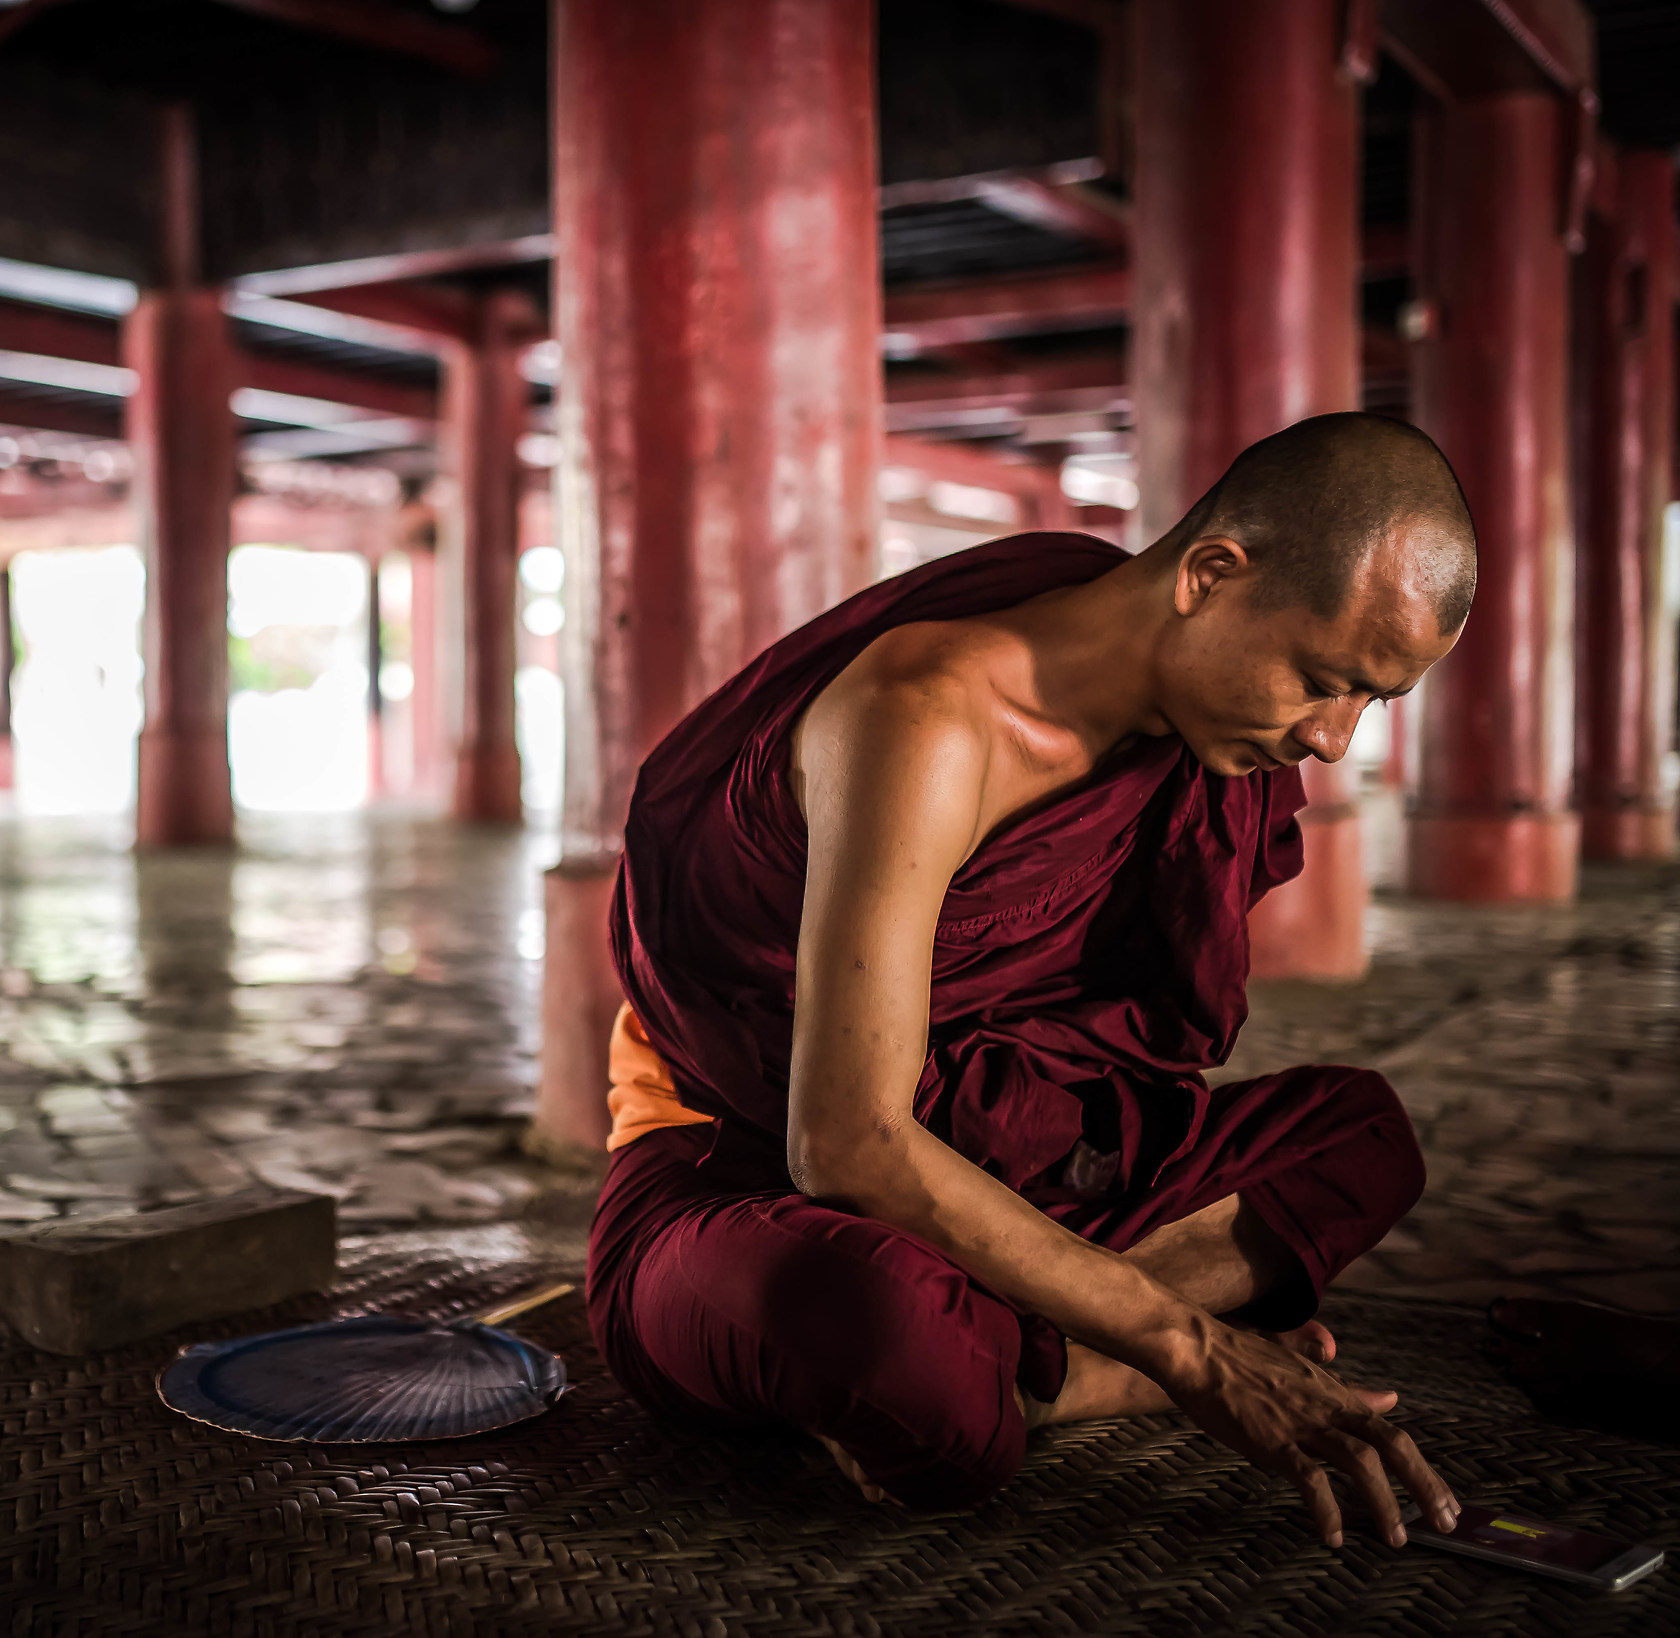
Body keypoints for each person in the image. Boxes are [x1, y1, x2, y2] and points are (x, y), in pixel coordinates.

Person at [587, 412, 1471, 1549]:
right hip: (746, 1174)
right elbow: (846, 1145)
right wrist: (1185, 1350)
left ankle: (1030, 1355)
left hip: (1017, 1157)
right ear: (1211, 574)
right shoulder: (927, 717)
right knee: (905, 1357)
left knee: (1363, 1139)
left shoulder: (1167, 725)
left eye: (1373, 702)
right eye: (1323, 679)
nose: (1335, 741)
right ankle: (1077, 1369)